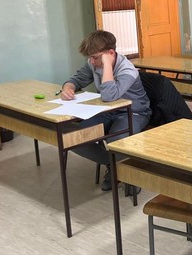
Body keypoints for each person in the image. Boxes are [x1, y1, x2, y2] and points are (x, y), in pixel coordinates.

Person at [61, 30, 151, 191]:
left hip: (133, 112)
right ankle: (116, 166)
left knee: (117, 141)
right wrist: (68, 88)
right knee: (74, 139)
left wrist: (107, 64)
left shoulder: (127, 70)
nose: (91, 61)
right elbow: (76, 79)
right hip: (108, 111)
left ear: (110, 53)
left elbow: (109, 96)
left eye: (95, 57)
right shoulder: (93, 63)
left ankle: (128, 173)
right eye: (90, 58)